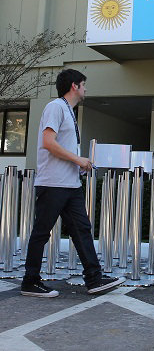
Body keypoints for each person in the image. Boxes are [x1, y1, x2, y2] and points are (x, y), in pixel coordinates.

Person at [21, 69, 125, 298]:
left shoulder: (69, 111)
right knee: (42, 232)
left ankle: (94, 279)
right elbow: (48, 142)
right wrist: (78, 159)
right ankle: (30, 281)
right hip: (53, 183)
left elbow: (60, 146)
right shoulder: (56, 107)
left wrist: (78, 165)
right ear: (74, 86)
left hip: (70, 184)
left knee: (82, 230)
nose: (86, 89)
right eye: (84, 84)